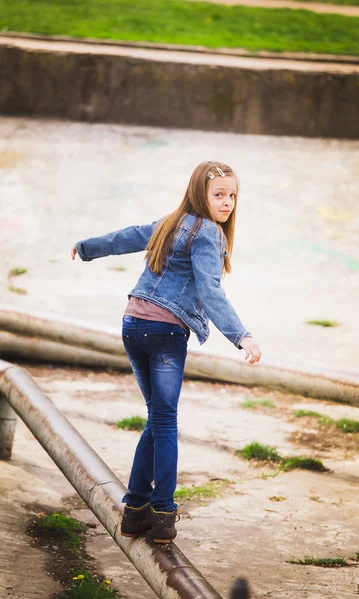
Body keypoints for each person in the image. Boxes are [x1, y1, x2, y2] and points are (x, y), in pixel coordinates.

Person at [71, 160, 262, 544]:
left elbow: (127, 236)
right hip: (164, 333)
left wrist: (85, 247)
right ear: (199, 193)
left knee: (157, 420)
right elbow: (210, 291)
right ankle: (163, 515)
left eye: (233, 196)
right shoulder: (208, 233)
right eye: (219, 195)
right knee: (165, 423)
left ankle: (135, 511)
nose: (227, 203)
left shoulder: (172, 222)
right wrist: (242, 335)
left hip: (132, 324)